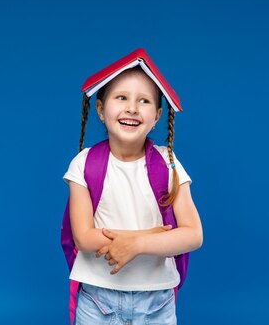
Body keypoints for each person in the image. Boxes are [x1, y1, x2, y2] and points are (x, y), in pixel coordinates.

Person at [64, 49, 203, 325]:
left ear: (156, 117)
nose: (132, 107)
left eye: (144, 101)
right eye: (121, 97)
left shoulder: (169, 163)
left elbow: (193, 235)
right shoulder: (84, 163)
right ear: (101, 110)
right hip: (97, 299)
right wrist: (152, 235)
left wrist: (137, 244)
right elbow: (83, 237)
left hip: (156, 302)